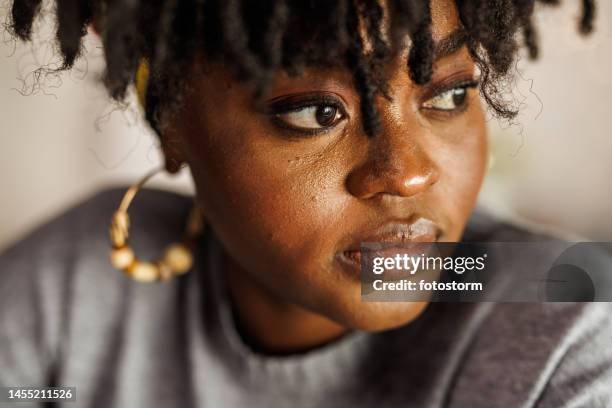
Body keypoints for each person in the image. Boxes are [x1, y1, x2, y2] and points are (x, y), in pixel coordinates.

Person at [1, 0, 610, 407]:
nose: (407, 174)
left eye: (449, 96)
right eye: (317, 112)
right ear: (172, 123)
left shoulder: (567, 312)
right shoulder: (69, 293)